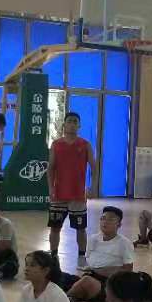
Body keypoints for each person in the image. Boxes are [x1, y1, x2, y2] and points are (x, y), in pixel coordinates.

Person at [47, 113, 98, 270]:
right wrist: (50, 188)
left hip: (77, 195)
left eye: (75, 122)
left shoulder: (85, 144)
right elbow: (50, 168)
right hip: (59, 194)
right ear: (64, 125)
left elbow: (94, 167)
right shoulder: (56, 144)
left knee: (80, 228)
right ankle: (53, 256)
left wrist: (92, 187)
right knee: (55, 227)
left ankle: (81, 257)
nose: (72, 124)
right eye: (69, 121)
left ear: (79, 126)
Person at [65, 206, 135, 302]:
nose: (105, 222)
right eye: (103, 218)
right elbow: (88, 261)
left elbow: (127, 271)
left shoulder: (124, 243)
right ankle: (72, 299)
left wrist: (98, 270)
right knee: (62, 277)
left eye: (110, 219)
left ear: (119, 224)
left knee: (86, 281)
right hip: (90, 276)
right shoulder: (93, 239)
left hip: (110, 285)